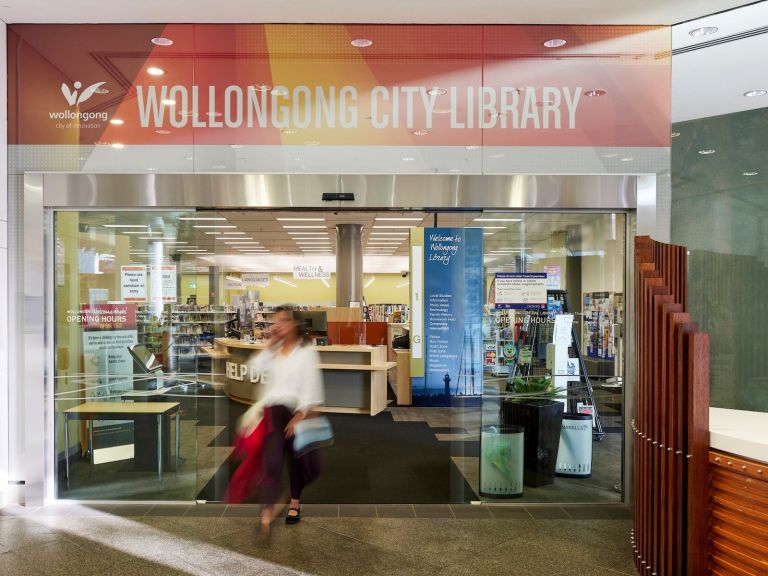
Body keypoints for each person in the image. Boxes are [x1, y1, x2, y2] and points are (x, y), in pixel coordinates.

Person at [247, 305, 324, 534]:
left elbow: (312, 385)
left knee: (297, 461)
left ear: (294, 324)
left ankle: (294, 502)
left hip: (295, 413)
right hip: (273, 412)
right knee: (272, 460)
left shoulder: (306, 352)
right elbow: (253, 371)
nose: (277, 325)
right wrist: (269, 345)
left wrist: (300, 415)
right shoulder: (274, 350)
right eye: (275, 321)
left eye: (282, 321)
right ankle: (268, 508)